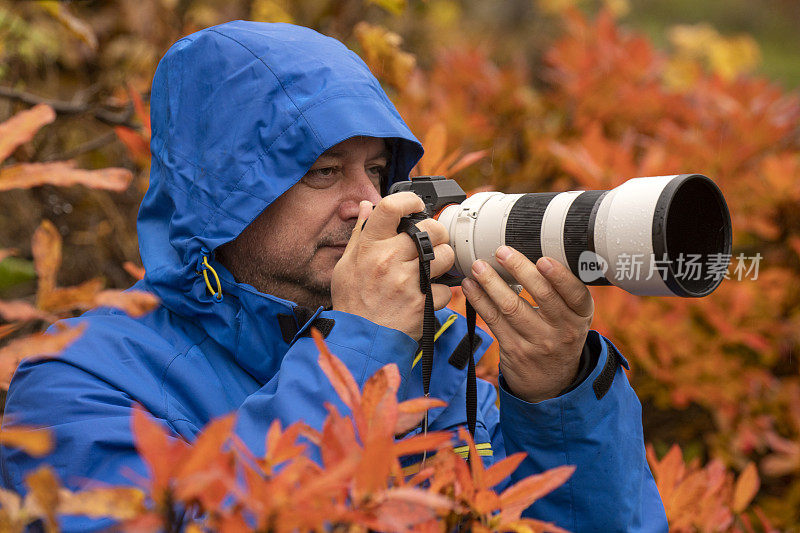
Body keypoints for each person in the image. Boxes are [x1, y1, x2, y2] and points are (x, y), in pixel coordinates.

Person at [1, 21, 667, 531]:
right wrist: (359, 347)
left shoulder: (432, 356)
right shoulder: (77, 379)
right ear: (224, 191)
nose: (368, 202)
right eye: (323, 171)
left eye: (376, 169)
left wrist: (558, 396)